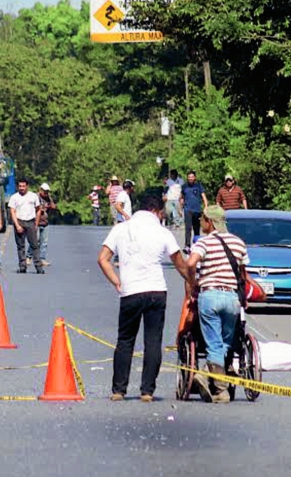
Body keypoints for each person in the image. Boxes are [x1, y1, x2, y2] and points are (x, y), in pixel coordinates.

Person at [97, 191, 190, 402]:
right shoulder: (162, 232)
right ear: (156, 211)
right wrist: (193, 283)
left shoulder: (121, 229)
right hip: (156, 291)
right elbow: (180, 263)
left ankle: (119, 390)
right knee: (153, 341)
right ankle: (147, 391)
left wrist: (117, 281)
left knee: (125, 340)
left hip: (130, 291)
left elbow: (103, 259)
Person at [187, 205, 249, 403]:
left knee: (213, 343)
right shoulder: (238, 243)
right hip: (231, 297)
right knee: (225, 342)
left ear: (210, 222)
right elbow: (243, 275)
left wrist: (192, 284)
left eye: (203, 219)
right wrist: (244, 298)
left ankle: (216, 387)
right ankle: (209, 375)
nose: (200, 222)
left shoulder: (203, 243)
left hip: (210, 296)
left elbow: (190, 263)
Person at [8, 178, 43, 274]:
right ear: (17, 187)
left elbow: (38, 209)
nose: (22, 188)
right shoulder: (14, 197)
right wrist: (17, 225)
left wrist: (36, 223)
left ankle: (38, 267)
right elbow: (12, 211)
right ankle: (22, 266)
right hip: (19, 221)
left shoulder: (33, 196)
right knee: (20, 246)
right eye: (20, 186)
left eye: (23, 186)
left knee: (35, 245)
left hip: (31, 222)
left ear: (27, 186)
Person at [32, 182, 59, 267]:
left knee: (44, 242)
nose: (46, 193)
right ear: (40, 190)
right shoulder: (35, 197)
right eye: (44, 191)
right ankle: (29, 257)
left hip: (45, 222)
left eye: (47, 191)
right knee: (35, 241)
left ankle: (42, 259)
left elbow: (54, 207)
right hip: (36, 222)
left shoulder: (48, 198)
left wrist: (51, 204)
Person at [181, 170, 207, 249]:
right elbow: (181, 197)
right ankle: (187, 245)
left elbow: (204, 197)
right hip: (187, 210)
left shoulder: (198, 186)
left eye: (192, 177)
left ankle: (197, 244)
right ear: (187, 178)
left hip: (197, 210)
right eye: (189, 177)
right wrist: (180, 206)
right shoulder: (184, 186)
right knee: (188, 228)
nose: (190, 178)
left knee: (196, 228)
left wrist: (205, 207)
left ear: (195, 177)